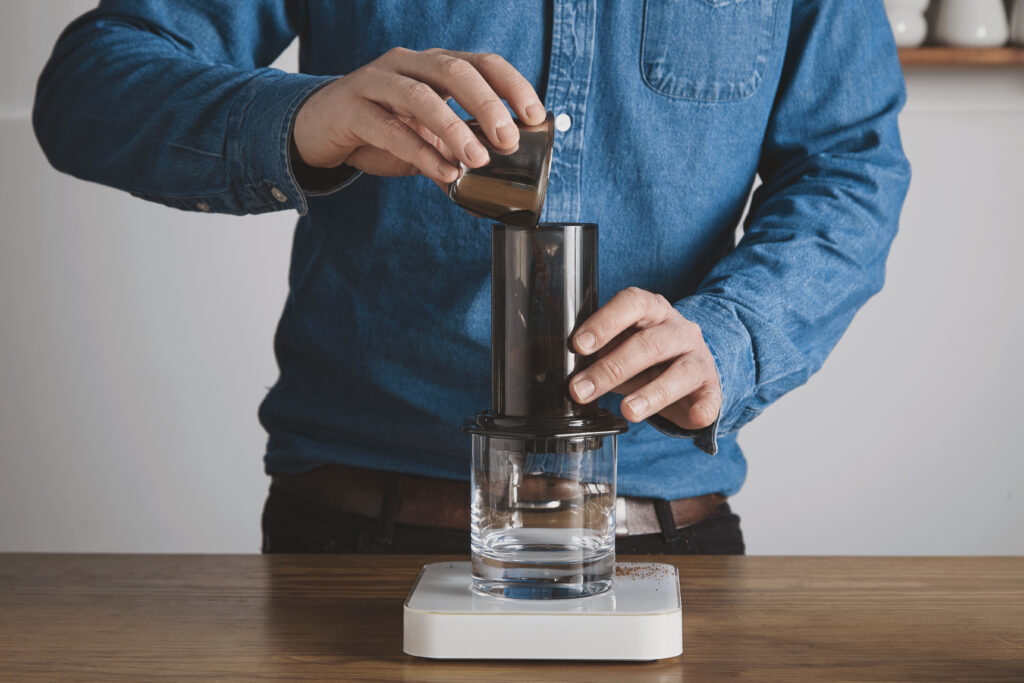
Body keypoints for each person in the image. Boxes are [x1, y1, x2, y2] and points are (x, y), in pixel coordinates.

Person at [34, 0, 910, 555]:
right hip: (350, 535)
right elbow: (88, 84)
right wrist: (304, 116)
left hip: (664, 533)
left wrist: (736, 335)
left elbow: (850, 162)